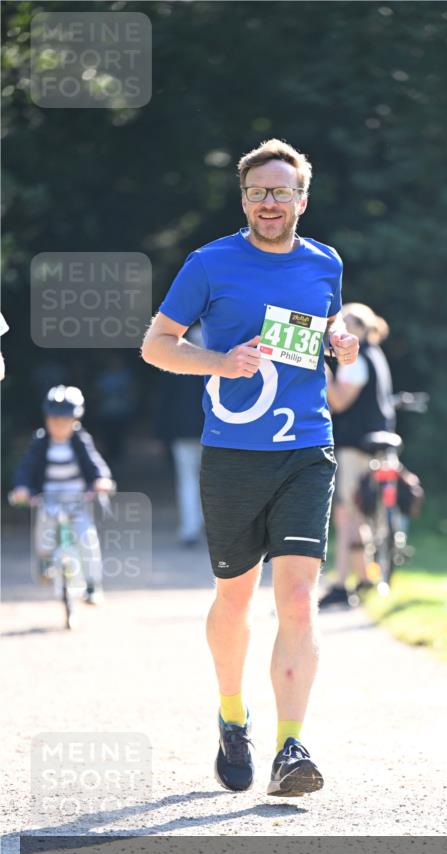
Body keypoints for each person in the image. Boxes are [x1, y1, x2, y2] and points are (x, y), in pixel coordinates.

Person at [141, 138, 359, 797]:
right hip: (234, 456)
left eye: (281, 191)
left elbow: (322, 338)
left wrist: (339, 343)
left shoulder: (325, 262)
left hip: (306, 451)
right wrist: (219, 362)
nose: (270, 203)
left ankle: (291, 746)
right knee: (235, 598)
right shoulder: (209, 264)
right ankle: (232, 717)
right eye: (258, 192)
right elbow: (156, 346)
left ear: (302, 199)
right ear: (244, 199)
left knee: (295, 598)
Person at [8, 385, 114, 604]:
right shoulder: (40, 442)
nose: (59, 426)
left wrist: (100, 480)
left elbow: (95, 464)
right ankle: (45, 562)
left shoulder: (80, 440)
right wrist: (22, 488)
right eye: (54, 420)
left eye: (64, 421)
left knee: (87, 539)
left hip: (77, 498)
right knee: (44, 529)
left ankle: (93, 585)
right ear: (46, 419)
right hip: (49, 497)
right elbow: (26, 469)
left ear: (75, 420)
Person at [322, 302, 395, 608]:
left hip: (354, 447)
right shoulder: (375, 354)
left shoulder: (356, 360)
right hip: (376, 445)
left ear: (363, 328)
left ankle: (341, 583)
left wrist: (321, 371)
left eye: (348, 321)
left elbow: (338, 401)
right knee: (359, 514)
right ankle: (365, 576)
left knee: (347, 513)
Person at [155, 324, 205, 546]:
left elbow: (165, 402)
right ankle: (210, 527)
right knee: (213, 482)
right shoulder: (220, 363)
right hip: (213, 433)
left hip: (182, 432)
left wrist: (163, 434)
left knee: (187, 481)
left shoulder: (175, 365)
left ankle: (189, 529)